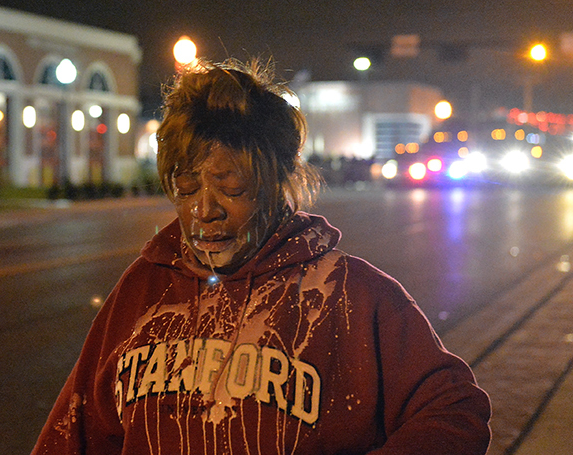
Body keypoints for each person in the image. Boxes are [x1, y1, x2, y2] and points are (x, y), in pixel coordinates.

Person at [31, 59, 491, 455]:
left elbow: (454, 411)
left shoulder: (350, 297)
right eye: (186, 188)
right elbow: (74, 433)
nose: (204, 210)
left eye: (232, 188)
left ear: (278, 180)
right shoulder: (144, 291)